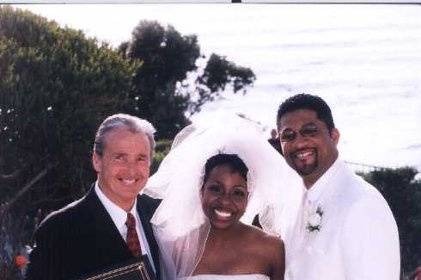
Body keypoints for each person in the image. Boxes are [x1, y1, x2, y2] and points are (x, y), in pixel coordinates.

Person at [144, 122, 302, 280]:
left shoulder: (272, 248)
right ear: (201, 190)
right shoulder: (176, 249)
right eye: (216, 189)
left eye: (238, 193)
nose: (225, 201)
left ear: (249, 198)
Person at [271, 93, 400, 279]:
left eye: (310, 131)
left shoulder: (363, 203)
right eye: (288, 136)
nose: (299, 142)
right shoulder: (290, 202)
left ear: (334, 136)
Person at [26, 113, 161, 280]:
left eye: (141, 159)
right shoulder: (59, 230)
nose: (131, 170)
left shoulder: (160, 216)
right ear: (97, 160)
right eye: (120, 157)